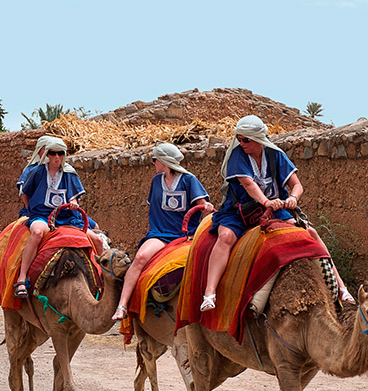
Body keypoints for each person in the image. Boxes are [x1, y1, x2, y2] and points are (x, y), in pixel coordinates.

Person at [199, 115, 353, 312]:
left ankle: (341, 287)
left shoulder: (275, 155)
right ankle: (209, 293)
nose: (241, 143)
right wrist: (265, 201)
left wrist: (293, 199)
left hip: (274, 210)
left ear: (258, 139)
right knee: (225, 237)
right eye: (239, 138)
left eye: (246, 139)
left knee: (310, 233)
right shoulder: (237, 156)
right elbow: (248, 184)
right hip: (240, 211)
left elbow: (296, 185)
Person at [112, 142, 213, 321]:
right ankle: (123, 305)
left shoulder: (189, 180)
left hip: (186, 235)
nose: (153, 163)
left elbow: (202, 204)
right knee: (141, 258)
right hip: (160, 234)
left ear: (164, 161)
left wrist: (206, 207)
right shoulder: (156, 181)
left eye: (155, 159)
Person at [14, 136, 104, 297]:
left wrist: (74, 202)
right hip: (42, 214)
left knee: (97, 239)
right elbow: (25, 194)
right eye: (53, 153)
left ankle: (103, 279)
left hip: (66, 216)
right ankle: (22, 278)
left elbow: (74, 195)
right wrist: (32, 211)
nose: (57, 157)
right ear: (47, 154)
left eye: (60, 154)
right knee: (37, 233)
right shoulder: (36, 172)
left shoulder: (69, 173)